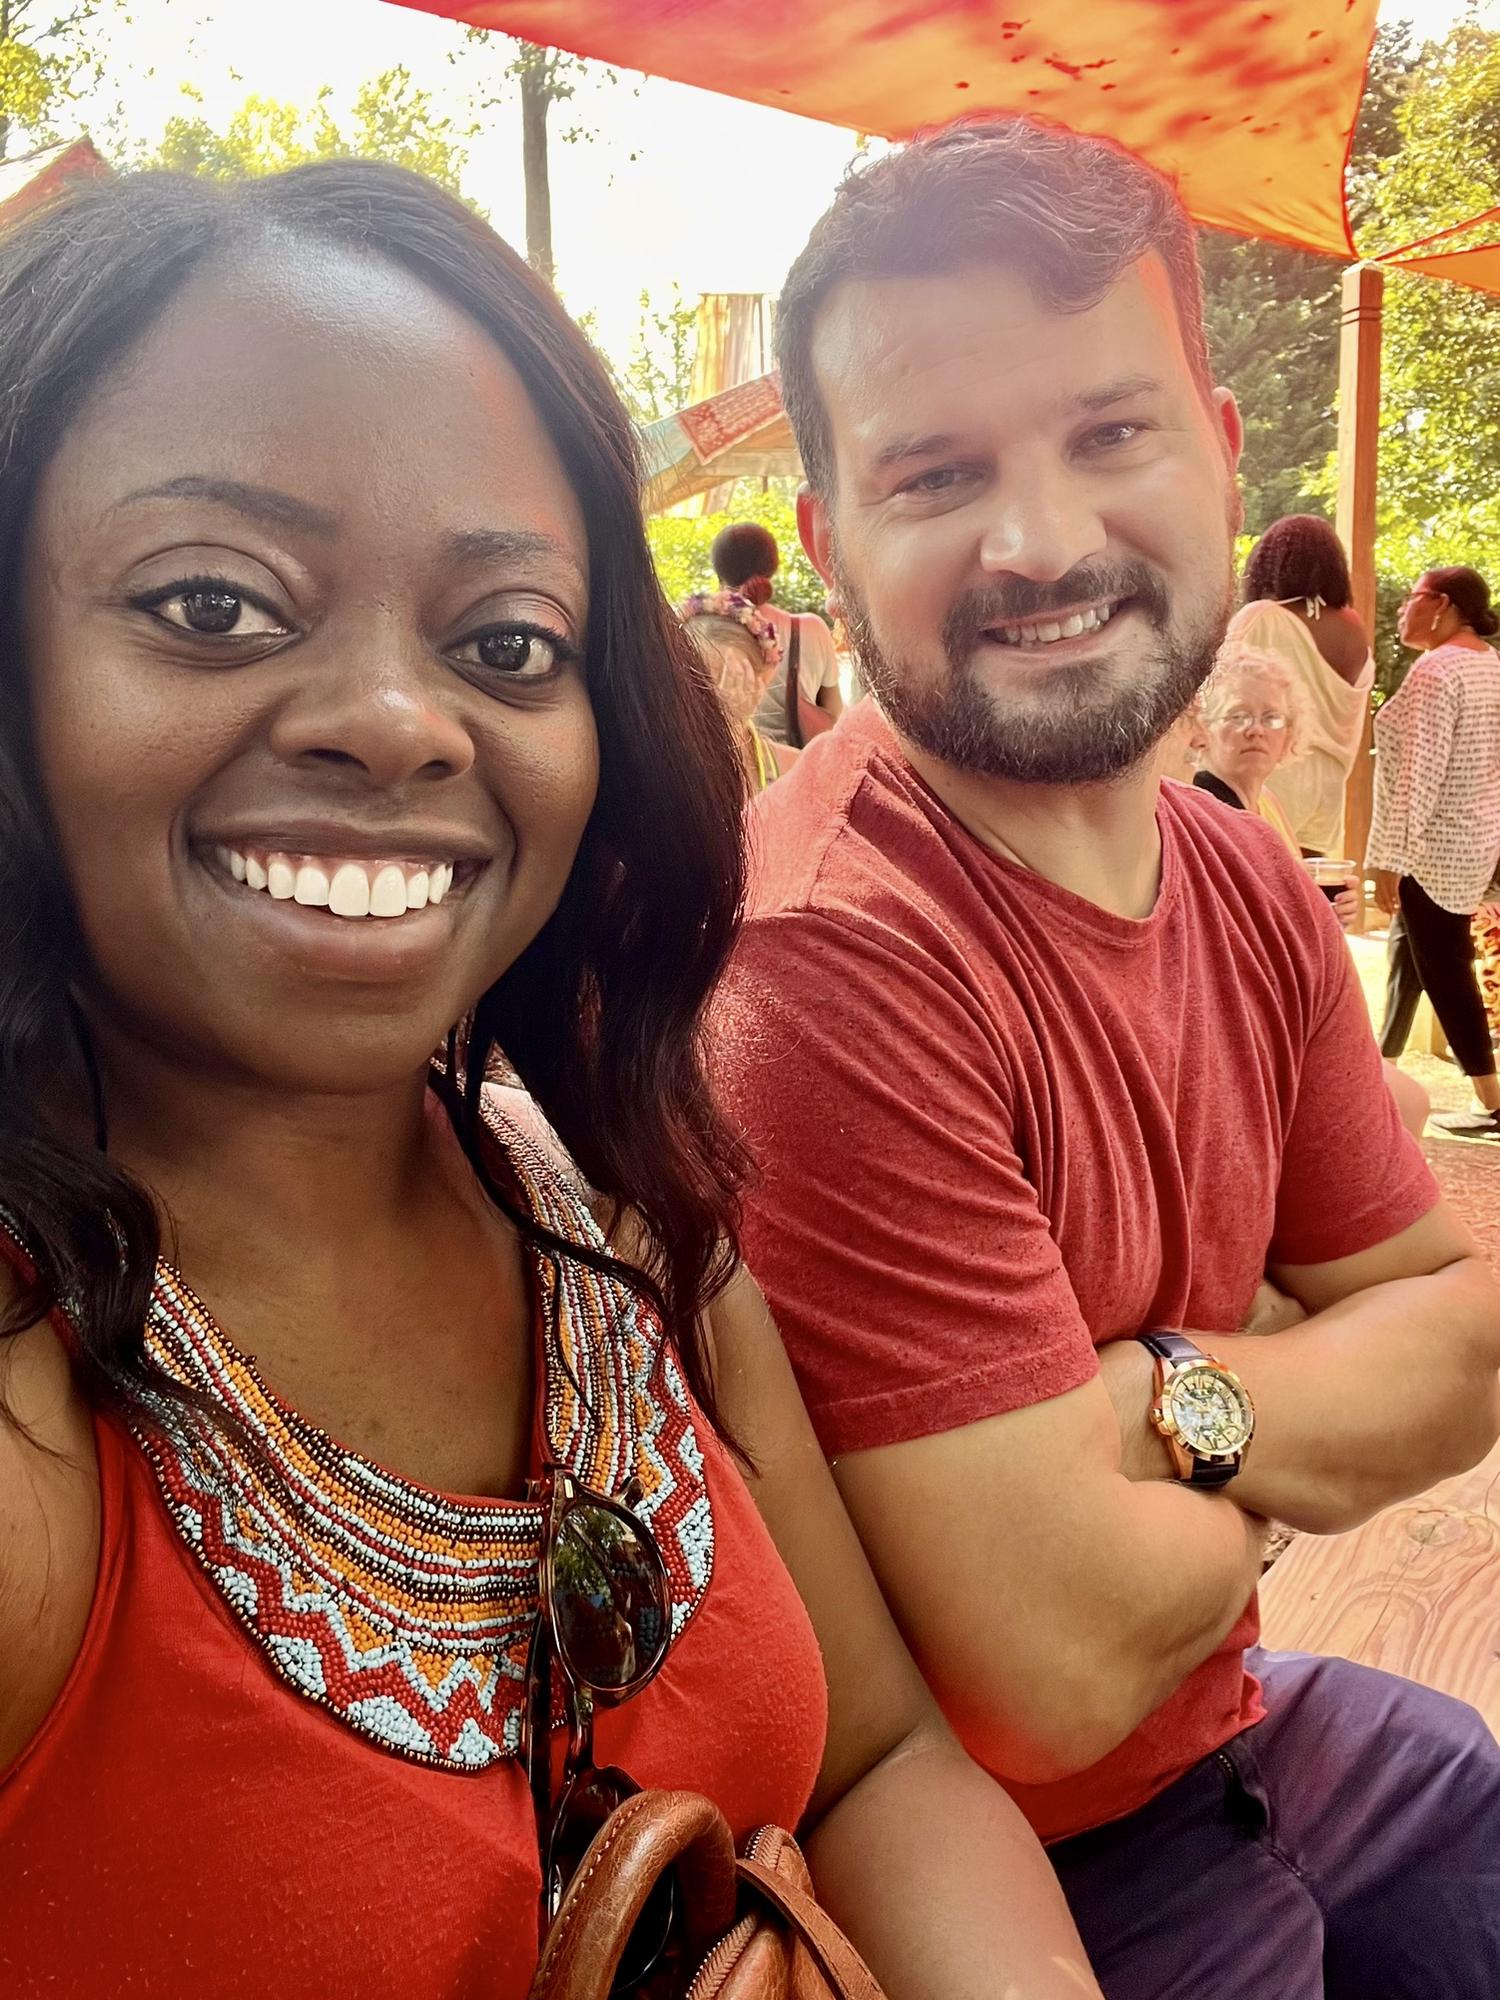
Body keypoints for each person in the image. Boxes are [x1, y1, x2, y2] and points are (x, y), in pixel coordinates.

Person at [0, 163, 1103, 1999]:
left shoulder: (612, 1197)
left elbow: (881, 1762)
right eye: (213, 604)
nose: (398, 720)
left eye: (506, 642)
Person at [711, 117, 1500, 1998]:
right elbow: (1048, 1667)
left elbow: (1465, 1334)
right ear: (830, 542)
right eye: (936, 472)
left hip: (1235, 1723)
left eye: (1110, 433)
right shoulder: (821, 953)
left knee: (1469, 1804)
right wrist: (1301, 1375)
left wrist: (1159, 1396)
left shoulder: (1238, 876)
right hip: (1010, 1867)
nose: (1043, 540)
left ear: (1219, 453)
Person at [1368, 565, 1500, 1139]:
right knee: (1409, 955)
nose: (1403, 608)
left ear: (1441, 604)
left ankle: (1492, 1101)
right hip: (1474, 841)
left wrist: (1388, 857)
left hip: (1432, 850)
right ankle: (1381, 1070)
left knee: (1446, 971)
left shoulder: (1437, 670)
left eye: (1412, 598)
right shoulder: (1489, 664)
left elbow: (1418, 775)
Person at [1225, 516, 1374, 854]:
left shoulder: (1263, 617)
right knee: (1306, 884)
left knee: (1257, 882)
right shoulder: (1355, 631)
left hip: (1273, 778)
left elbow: (1216, 690)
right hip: (1328, 788)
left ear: (1270, 563)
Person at [710, 519, 844, 744]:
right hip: (802, 762)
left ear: (719, 573)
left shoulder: (701, 634)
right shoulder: (812, 629)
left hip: (738, 760)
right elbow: (834, 710)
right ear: (773, 567)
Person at [1191, 642, 1306, 857]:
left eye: (1271, 718)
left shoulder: (1266, 802)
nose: (1256, 730)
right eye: (1238, 716)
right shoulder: (1202, 808)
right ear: (1203, 728)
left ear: (1289, 733)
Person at [679, 589, 799, 790]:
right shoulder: (659, 765)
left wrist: (733, 729)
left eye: (734, 680)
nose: (716, 700)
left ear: (763, 679)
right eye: (697, 684)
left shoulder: (795, 768)